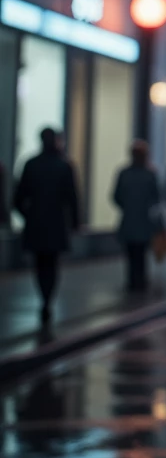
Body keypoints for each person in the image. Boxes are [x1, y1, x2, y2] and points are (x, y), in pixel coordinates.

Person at [13, 127, 80, 324]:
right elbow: (72, 198)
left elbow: (18, 198)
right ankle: (47, 300)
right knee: (51, 263)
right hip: (56, 223)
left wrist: (28, 215)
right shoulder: (64, 166)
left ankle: (44, 297)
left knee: (40, 262)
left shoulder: (31, 164)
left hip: (36, 223)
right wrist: (74, 222)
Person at [112, 141, 161, 293]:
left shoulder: (124, 173)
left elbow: (116, 196)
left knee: (131, 252)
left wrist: (126, 206)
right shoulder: (150, 174)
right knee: (141, 252)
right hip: (144, 220)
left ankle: (132, 280)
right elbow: (157, 196)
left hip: (129, 220)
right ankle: (140, 280)